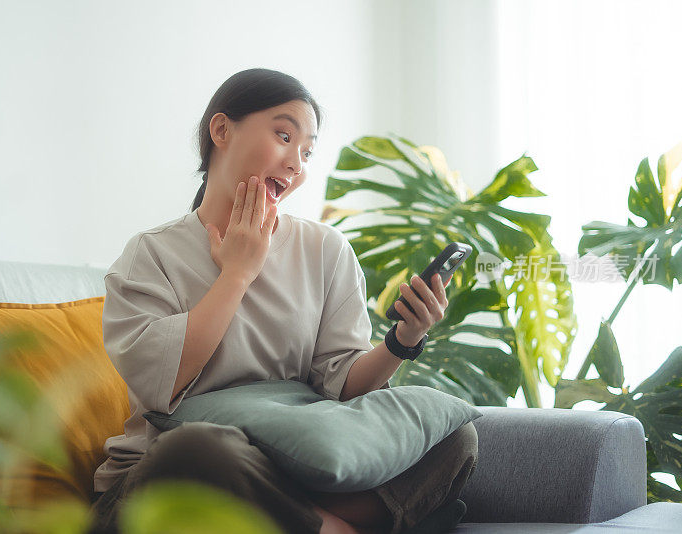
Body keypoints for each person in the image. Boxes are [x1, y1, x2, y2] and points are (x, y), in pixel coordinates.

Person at [88, 68, 478, 534]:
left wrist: (402, 340)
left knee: (452, 436)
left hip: (289, 477)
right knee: (194, 450)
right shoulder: (151, 253)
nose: (296, 163)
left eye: (307, 151)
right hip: (176, 479)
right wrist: (237, 273)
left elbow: (341, 387)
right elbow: (164, 385)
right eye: (283, 135)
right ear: (221, 130)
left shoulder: (325, 250)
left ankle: (305, 521)